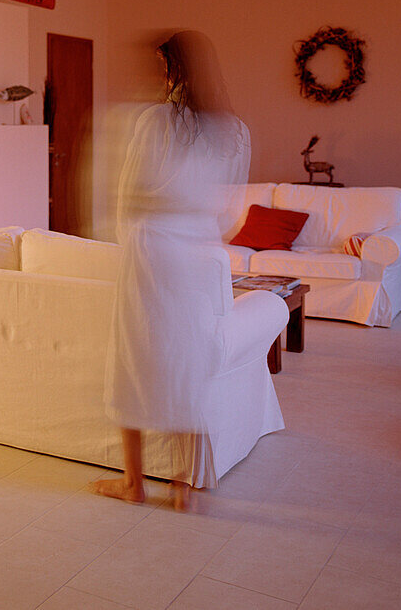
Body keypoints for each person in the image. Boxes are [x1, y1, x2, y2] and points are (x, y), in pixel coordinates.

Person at [91, 30, 250, 511]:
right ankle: (184, 489)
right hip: (199, 252)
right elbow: (230, 212)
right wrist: (201, 230)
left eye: (163, 66)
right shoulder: (233, 130)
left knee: (133, 357)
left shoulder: (153, 122)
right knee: (189, 359)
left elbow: (127, 195)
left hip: (152, 248)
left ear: (174, 70)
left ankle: (133, 482)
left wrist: (131, 233)